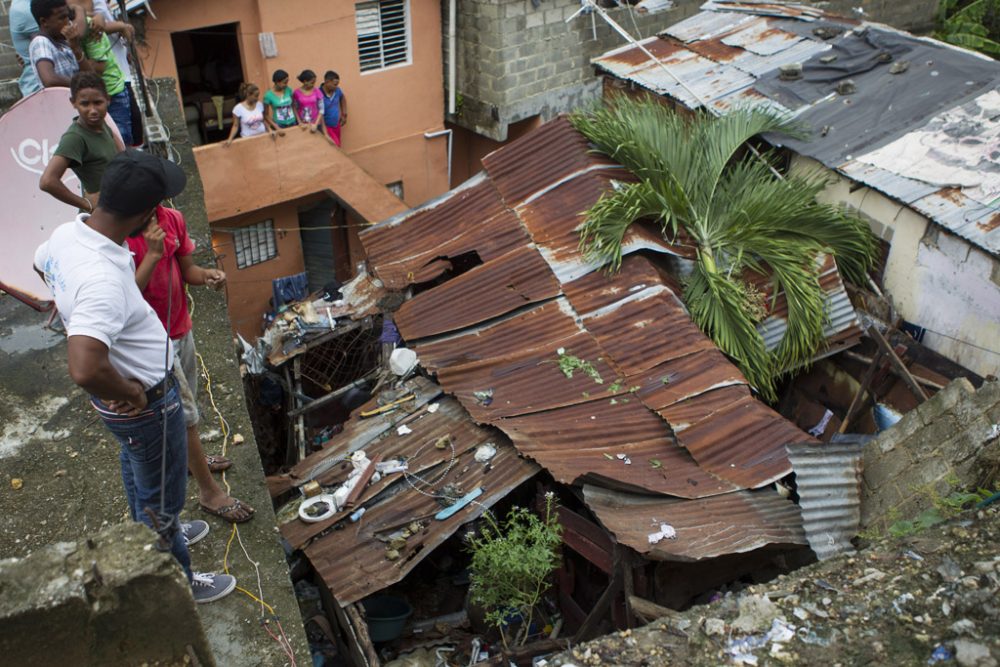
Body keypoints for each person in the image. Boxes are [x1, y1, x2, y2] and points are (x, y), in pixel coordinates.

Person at [33, 149, 237, 603]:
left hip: (126, 407)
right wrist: (131, 391)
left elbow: (39, 262)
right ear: (146, 214)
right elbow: (84, 366)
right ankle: (177, 586)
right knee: (162, 498)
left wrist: (71, 310)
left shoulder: (71, 234)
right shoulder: (102, 279)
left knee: (139, 474)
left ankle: (155, 533)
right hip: (143, 402)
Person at [127, 204, 256, 523]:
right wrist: (153, 255)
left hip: (181, 326)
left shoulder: (171, 219)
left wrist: (206, 276)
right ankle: (210, 492)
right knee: (185, 417)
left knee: (190, 407)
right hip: (153, 342)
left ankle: (189, 459)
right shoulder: (125, 236)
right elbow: (126, 296)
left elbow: (188, 270)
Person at [40, 71, 122, 213]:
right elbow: (47, 181)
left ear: (107, 100)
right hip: (101, 218)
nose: (93, 110)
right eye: (85, 104)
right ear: (73, 103)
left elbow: (123, 157)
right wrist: (87, 204)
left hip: (117, 207)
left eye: (98, 103)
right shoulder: (75, 138)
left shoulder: (102, 125)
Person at [81, 13, 133, 145]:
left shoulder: (90, 27)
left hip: (112, 90)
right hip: (90, 94)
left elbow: (98, 67)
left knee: (120, 140)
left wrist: (76, 51)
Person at [28, 0, 94, 88]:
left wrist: (76, 48)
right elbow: (49, 80)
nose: (68, 22)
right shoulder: (41, 42)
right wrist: (82, 85)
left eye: (68, 16)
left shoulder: (64, 41)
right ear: (44, 22)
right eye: (62, 18)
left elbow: (92, 78)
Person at [225, 82, 269, 146]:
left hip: (263, 137)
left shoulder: (259, 105)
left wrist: (270, 130)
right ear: (248, 95)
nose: (257, 98)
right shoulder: (238, 109)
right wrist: (230, 139)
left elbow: (263, 120)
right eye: (256, 96)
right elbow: (235, 125)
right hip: (248, 141)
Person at [320, 70, 348, 147]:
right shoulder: (318, 93)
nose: (336, 86)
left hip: (336, 124)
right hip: (326, 126)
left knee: (338, 144)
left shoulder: (337, 90)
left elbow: (342, 98)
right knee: (335, 145)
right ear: (327, 81)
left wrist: (344, 114)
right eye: (335, 84)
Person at [292, 69, 323, 133]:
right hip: (303, 126)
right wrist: (299, 122)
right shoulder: (296, 93)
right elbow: (294, 108)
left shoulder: (317, 91)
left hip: (315, 124)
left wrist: (316, 124)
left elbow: (322, 109)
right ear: (305, 81)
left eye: (314, 82)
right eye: (312, 82)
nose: (313, 85)